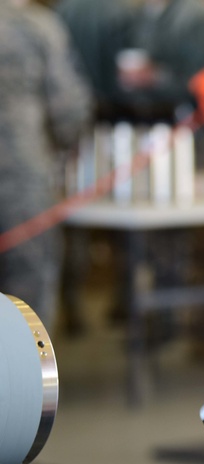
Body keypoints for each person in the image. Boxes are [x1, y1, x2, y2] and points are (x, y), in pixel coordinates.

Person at [0, 0, 91, 328]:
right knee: (28, 300)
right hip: (20, 183)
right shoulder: (36, 26)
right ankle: (25, 380)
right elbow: (68, 112)